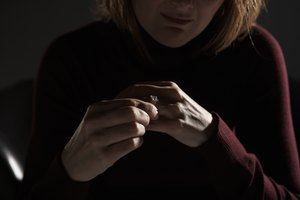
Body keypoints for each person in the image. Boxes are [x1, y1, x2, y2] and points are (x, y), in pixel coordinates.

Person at [20, 0, 300, 199]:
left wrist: (214, 138)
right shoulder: (71, 58)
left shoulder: (256, 54)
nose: (183, 4)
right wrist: (70, 169)